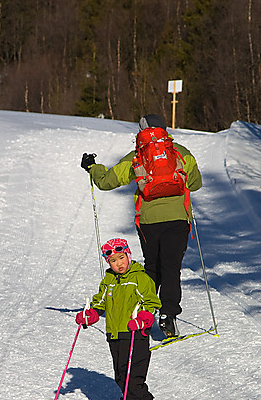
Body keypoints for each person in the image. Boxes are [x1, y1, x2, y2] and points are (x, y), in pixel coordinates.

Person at [81, 113, 202, 338]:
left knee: (152, 266)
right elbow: (196, 183)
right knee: (171, 267)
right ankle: (168, 314)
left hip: (148, 221)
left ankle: (143, 312)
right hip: (178, 219)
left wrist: (92, 167)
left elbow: (107, 181)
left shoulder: (137, 156)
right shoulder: (181, 153)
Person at [75, 237, 166, 400]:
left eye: (121, 257)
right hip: (115, 335)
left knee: (134, 379)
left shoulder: (140, 278)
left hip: (135, 334)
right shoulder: (108, 279)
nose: (118, 263)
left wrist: (144, 319)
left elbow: (151, 303)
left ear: (128, 255)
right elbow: (100, 302)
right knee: (122, 377)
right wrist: (91, 314)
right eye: (113, 261)